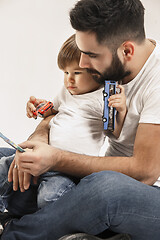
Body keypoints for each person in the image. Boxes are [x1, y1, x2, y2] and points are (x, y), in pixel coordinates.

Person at [0, 0, 160, 239]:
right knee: (9, 157)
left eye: (91, 55)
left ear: (127, 51)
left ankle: (14, 233)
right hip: (93, 181)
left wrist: (56, 159)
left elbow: (144, 172)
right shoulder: (108, 67)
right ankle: (40, 219)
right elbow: (65, 110)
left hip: (139, 195)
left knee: (106, 189)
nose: (83, 64)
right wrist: (41, 137)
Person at [0, 34, 126, 231]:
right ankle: (8, 213)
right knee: (3, 166)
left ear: (98, 73)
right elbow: (54, 110)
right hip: (43, 158)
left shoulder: (103, 98)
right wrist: (39, 107)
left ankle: (47, 227)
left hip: (69, 170)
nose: (69, 80)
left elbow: (114, 133)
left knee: (50, 197)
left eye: (77, 73)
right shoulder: (66, 92)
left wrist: (121, 111)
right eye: (65, 72)